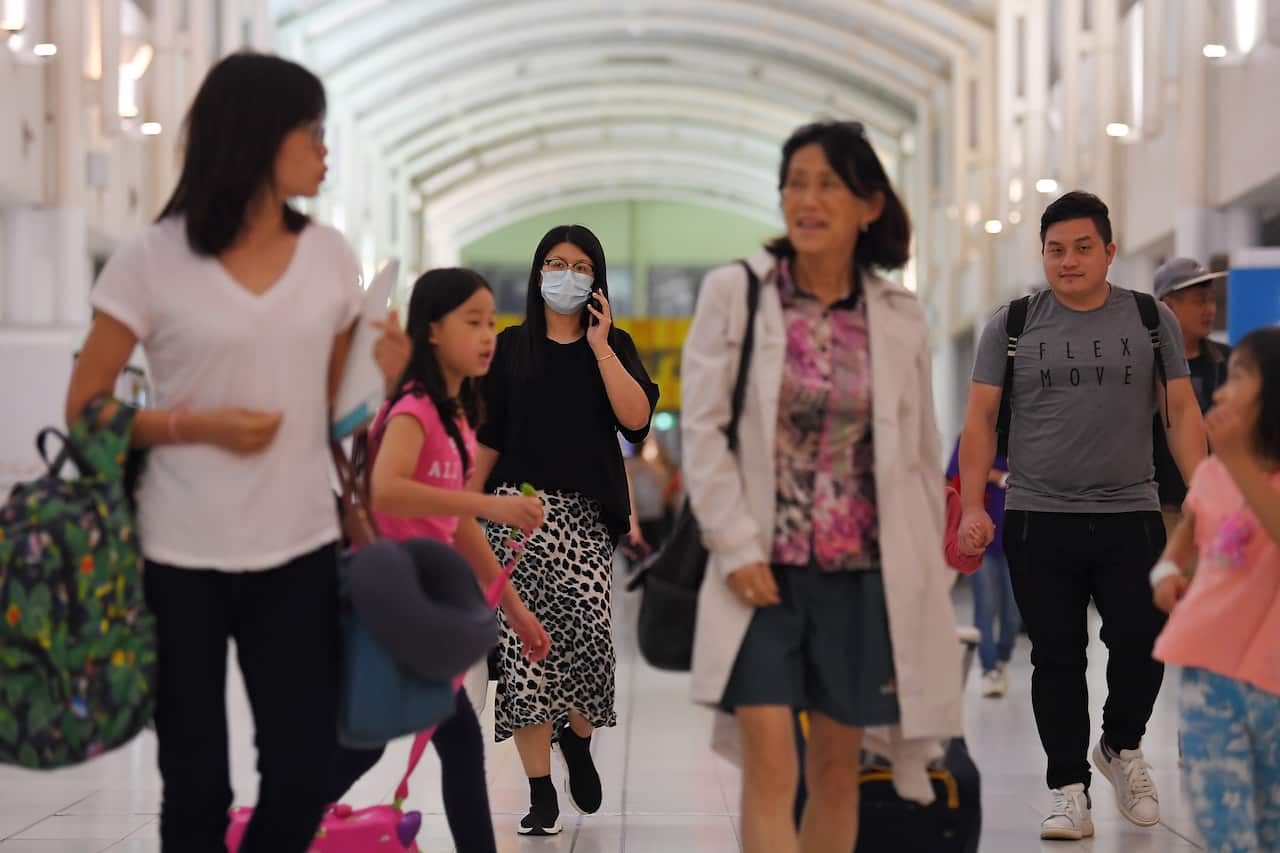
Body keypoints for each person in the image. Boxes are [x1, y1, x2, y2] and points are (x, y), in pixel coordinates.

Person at [63, 53, 411, 852]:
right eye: (312, 133)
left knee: (299, 770)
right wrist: (197, 425)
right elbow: (85, 404)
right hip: (176, 551)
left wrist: (380, 379)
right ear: (259, 136)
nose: (326, 152)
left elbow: (332, 414)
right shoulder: (153, 256)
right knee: (195, 783)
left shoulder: (328, 254)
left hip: (297, 546)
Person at [682, 120, 962, 853]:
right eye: (795, 182)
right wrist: (735, 544)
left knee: (838, 769)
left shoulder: (897, 317)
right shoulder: (737, 293)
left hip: (864, 573)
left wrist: (929, 569)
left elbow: (919, 455)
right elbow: (702, 431)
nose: (806, 199)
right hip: (760, 575)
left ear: (869, 205)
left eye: (827, 184)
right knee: (775, 764)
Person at [958, 191, 1208, 841]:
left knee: (1141, 637)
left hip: (1132, 514)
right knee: (1056, 656)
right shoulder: (1009, 325)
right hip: (1039, 517)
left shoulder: (1152, 320)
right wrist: (967, 507)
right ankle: (1067, 785)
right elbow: (980, 420)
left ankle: (1121, 746)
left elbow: (1181, 411)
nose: (1067, 261)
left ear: (1110, 251)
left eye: (1082, 248)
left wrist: (1205, 495)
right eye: (1055, 249)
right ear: (1043, 254)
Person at [325, 268, 552, 851]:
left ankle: (286, 818)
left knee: (422, 740)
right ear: (431, 330)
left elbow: (456, 527)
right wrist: (487, 503)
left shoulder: (456, 418)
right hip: (386, 600)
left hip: (415, 605)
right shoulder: (413, 409)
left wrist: (518, 614)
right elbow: (386, 489)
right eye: (472, 323)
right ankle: (283, 818)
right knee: (402, 740)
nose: (487, 336)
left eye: (492, 324)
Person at [469, 224, 659, 836]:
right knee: (527, 658)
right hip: (516, 516)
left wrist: (601, 346)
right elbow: (488, 441)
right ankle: (540, 790)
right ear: (536, 272)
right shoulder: (509, 348)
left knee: (588, 648)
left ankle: (575, 741)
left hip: (583, 519)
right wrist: (459, 510)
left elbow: (636, 422)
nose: (566, 274)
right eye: (554, 262)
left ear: (596, 279)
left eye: (579, 265)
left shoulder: (615, 344)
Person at [1149, 326, 1280, 853]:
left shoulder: (1242, 471)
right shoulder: (1210, 475)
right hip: (1211, 673)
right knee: (1223, 821)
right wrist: (1166, 576)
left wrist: (1239, 461)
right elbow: (1181, 543)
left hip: (1272, 679)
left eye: (1243, 375)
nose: (1223, 391)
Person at [1152, 257, 1231, 547]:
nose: (1210, 310)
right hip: (1163, 510)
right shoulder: (1145, 367)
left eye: (1212, 301)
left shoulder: (1231, 363)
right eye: (1200, 301)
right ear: (1168, 307)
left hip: (1222, 508)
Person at [946, 437, 1019, 698]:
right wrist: (994, 475)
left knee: (1014, 611)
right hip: (979, 541)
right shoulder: (970, 438)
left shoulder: (1023, 434)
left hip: (1016, 540)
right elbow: (953, 475)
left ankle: (1001, 657)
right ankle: (989, 669)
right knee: (985, 605)